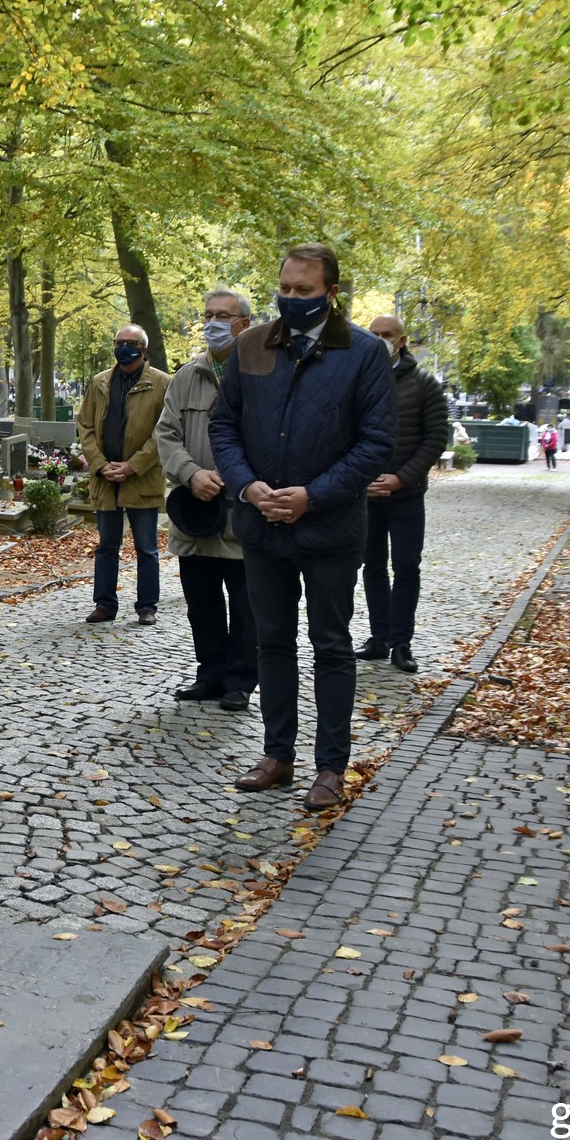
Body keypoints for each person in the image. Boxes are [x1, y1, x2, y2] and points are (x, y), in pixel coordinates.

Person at [209, 243, 394, 810]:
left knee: (331, 645)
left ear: (331, 294)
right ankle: (277, 755)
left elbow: (376, 444)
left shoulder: (363, 354)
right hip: (262, 524)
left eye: (304, 292)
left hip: (331, 529)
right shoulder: (252, 345)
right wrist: (248, 486)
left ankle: (330, 768)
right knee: (273, 642)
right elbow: (225, 426)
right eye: (284, 289)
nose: (291, 299)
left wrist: (313, 496)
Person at [156, 289, 259, 711]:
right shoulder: (187, 375)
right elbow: (166, 433)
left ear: (244, 325)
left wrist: (241, 481)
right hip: (195, 514)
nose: (214, 322)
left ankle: (240, 681)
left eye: (224, 315)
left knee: (247, 606)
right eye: (208, 315)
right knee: (202, 604)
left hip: (245, 514)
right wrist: (191, 473)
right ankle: (210, 674)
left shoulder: (261, 374)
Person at [356, 316, 451, 675]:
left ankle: (402, 643)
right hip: (366, 495)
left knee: (407, 567)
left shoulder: (424, 383)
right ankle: (379, 638)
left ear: (402, 340)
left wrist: (400, 479)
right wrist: (360, 477)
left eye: (387, 335)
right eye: (375, 335)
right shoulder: (358, 378)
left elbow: (435, 438)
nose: (380, 340)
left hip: (407, 494)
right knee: (373, 566)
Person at [75, 325, 169, 625]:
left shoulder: (162, 383)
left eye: (130, 343)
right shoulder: (101, 382)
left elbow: (163, 432)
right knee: (106, 546)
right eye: (119, 342)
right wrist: (100, 464)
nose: (123, 348)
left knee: (146, 546)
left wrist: (132, 466)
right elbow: (85, 426)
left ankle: (147, 606)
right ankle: (104, 604)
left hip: (142, 478)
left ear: (143, 349)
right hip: (105, 479)